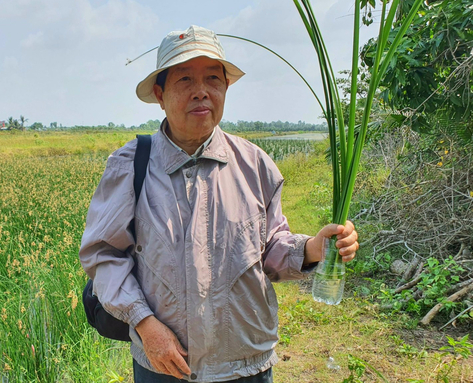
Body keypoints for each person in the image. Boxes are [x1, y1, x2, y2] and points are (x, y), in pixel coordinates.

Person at [79, 25, 359, 383]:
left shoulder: (255, 164)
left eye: (213, 78)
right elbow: (104, 256)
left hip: (247, 362)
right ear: (160, 94)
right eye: (184, 80)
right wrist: (146, 326)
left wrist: (313, 248)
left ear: (226, 88)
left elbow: (270, 248)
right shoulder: (131, 164)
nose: (201, 92)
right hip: (166, 364)